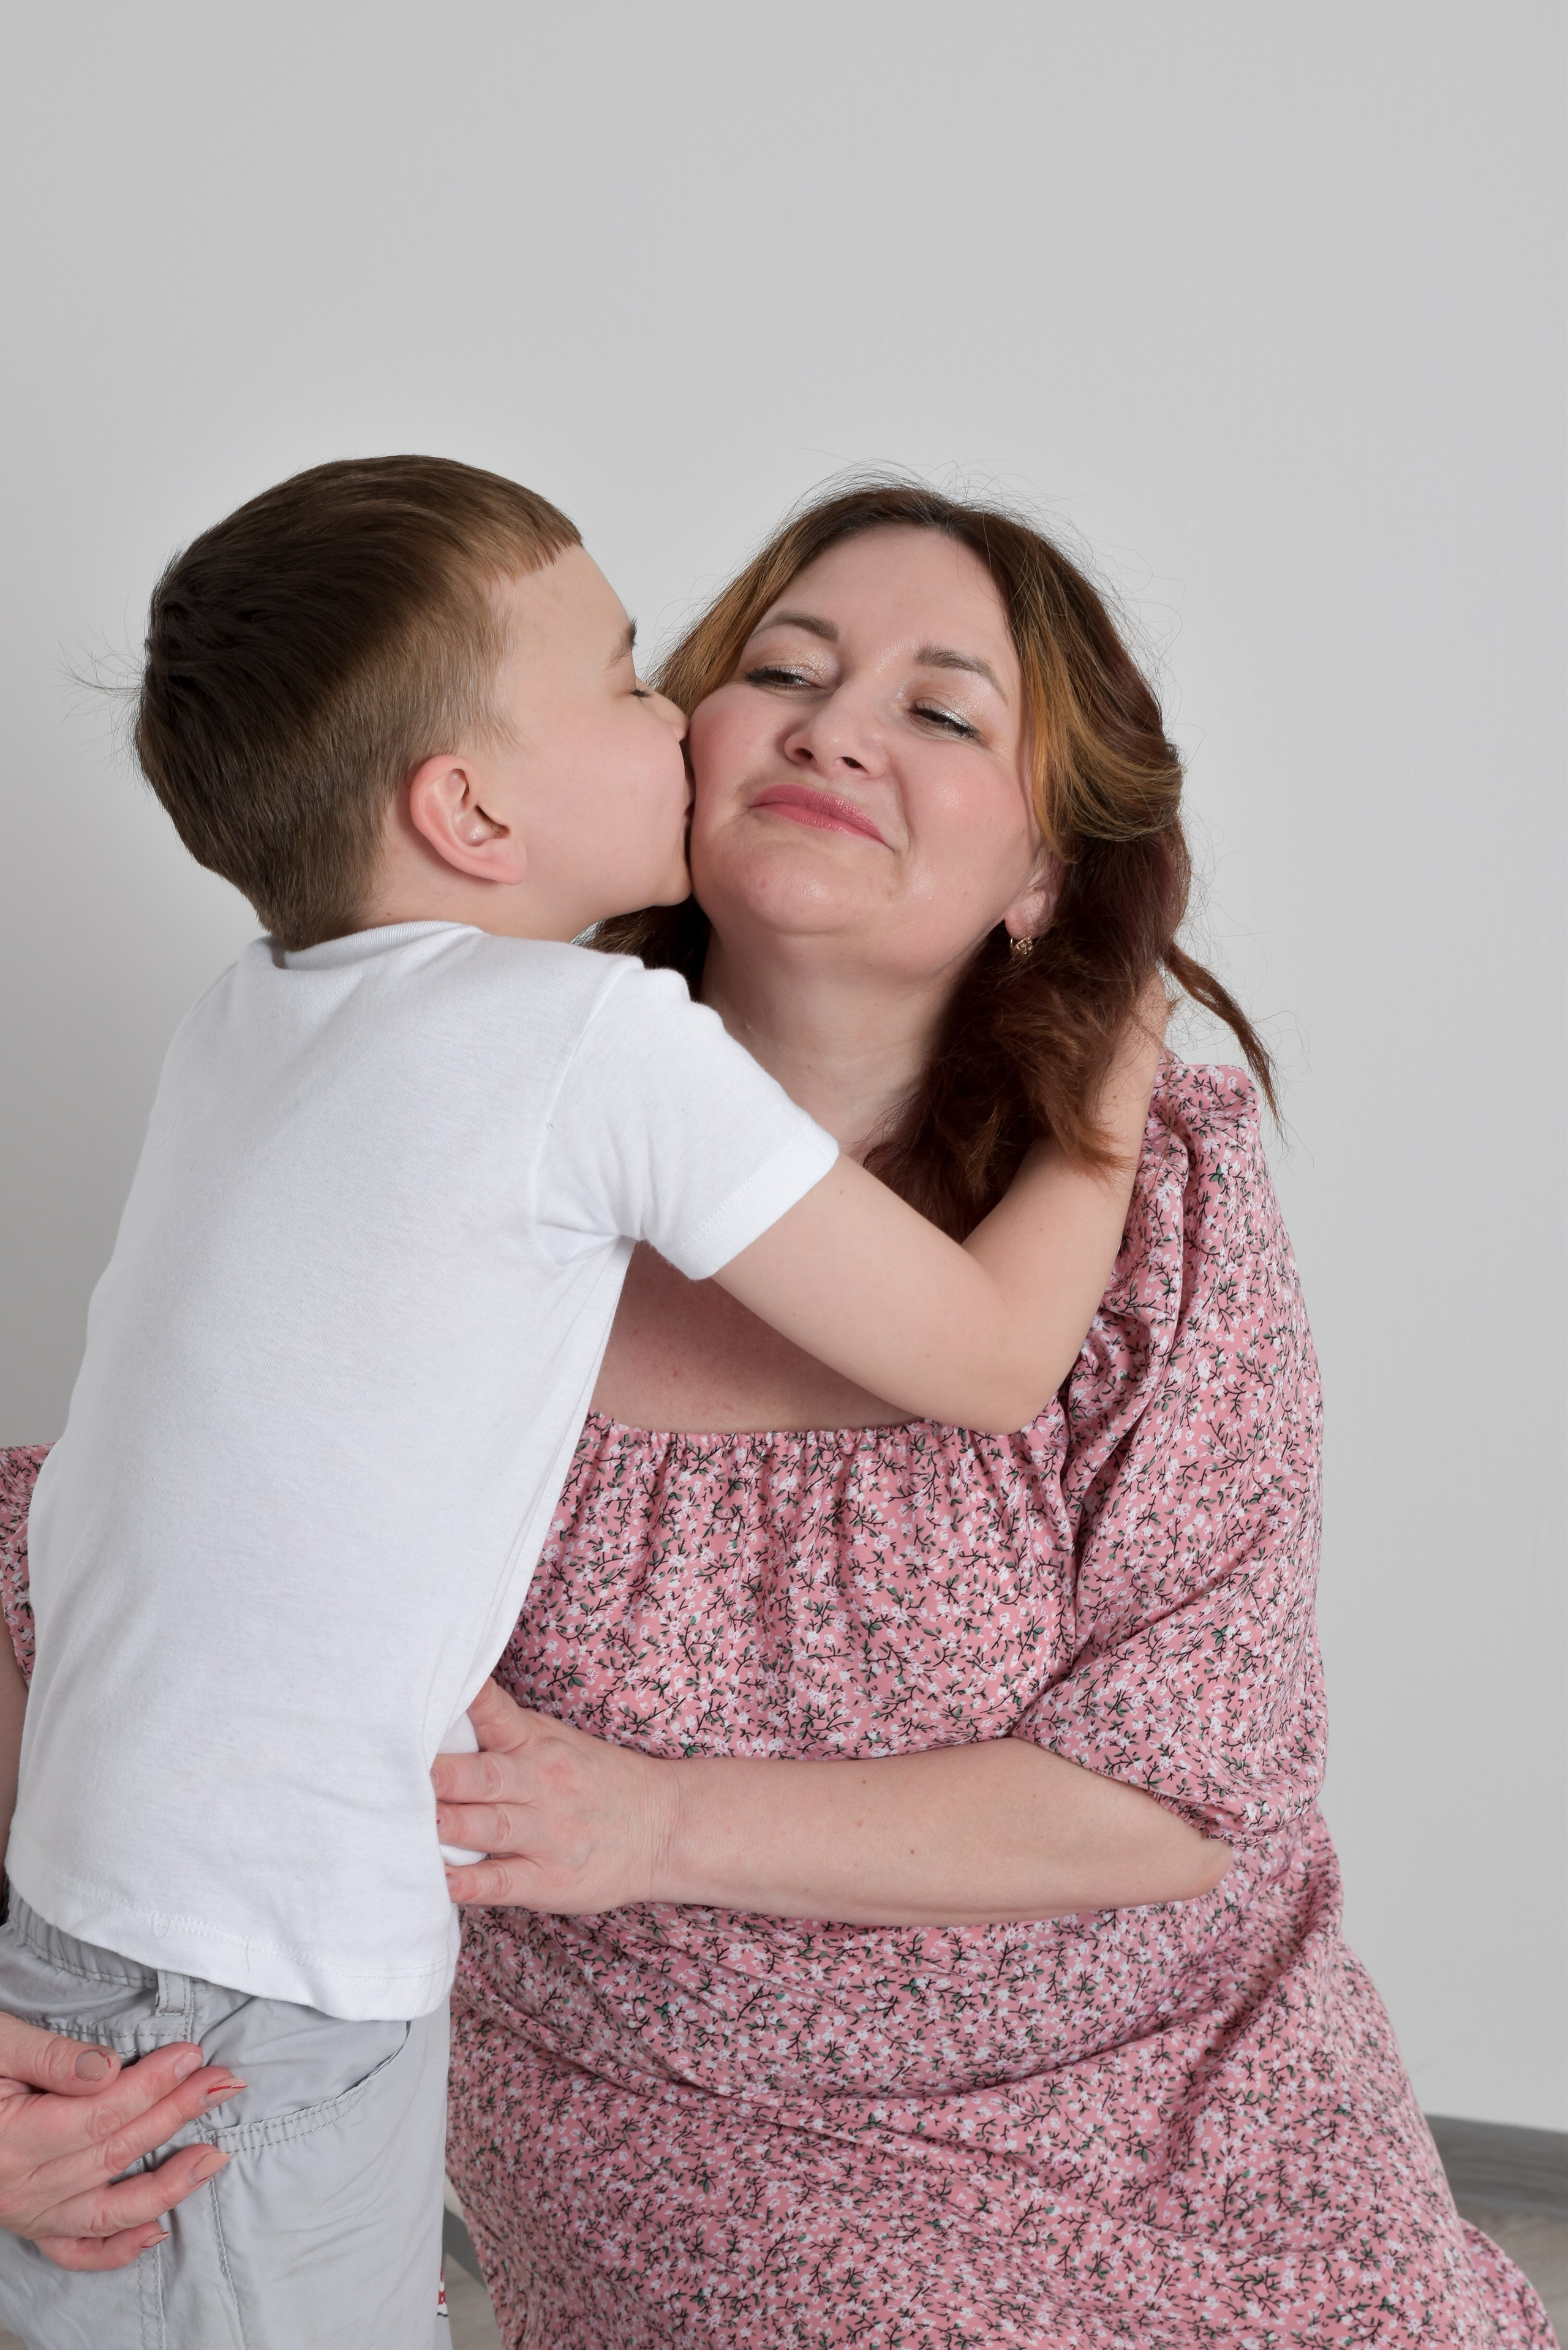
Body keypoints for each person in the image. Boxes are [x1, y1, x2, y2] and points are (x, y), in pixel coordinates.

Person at [0, 475, 1547, 2348]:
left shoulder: (1159, 1198)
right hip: (674, 2186)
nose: (831, 724)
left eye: (944, 708)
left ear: (1049, 874)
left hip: (1188, 2138)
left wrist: (657, 1821)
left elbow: (1179, 1797)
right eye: (767, 669)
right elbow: (85, 1573)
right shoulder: (455, 1124)